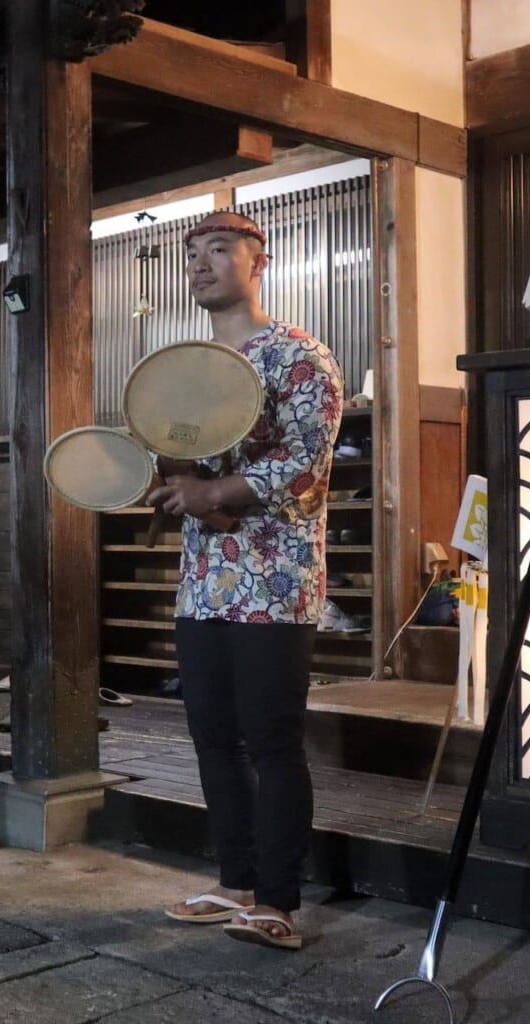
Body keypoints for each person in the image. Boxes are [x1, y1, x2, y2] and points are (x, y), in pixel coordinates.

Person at [150, 211, 343, 950]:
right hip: (202, 583)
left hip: (275, 579)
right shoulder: (188, 364)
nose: (201, 265)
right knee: (211, 738)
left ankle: (279, 900)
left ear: (258, 262)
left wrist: (216, 494)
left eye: (219, 250)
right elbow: (178, 454)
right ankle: (233, 882)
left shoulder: (300, 355)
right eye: (192, 254)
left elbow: (307, 462)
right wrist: (171, 484)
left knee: (270, 738)